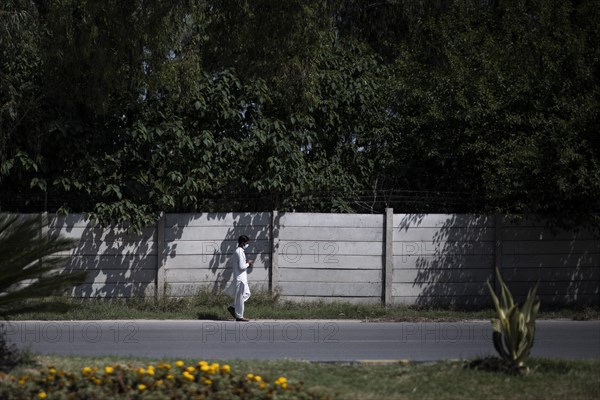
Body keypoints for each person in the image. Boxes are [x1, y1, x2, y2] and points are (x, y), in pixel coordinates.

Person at [224, 235, 253, 321]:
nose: (247, 245)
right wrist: (248, 263)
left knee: (247, 294)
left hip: (242, 278)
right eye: (246, 243)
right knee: (240, 297)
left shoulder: (240, 251)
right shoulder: (239, 252)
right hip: (240, 279)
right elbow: (241, 266)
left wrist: (246, 263)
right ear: (242, 243)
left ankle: (233, 307)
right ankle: (239, 316)